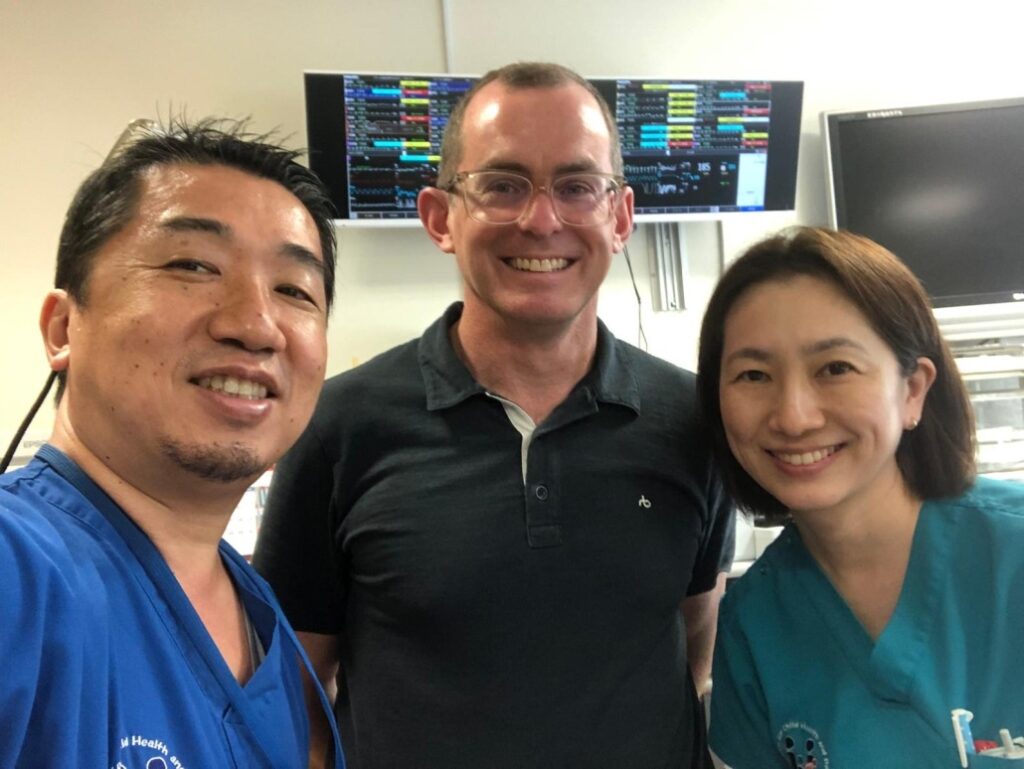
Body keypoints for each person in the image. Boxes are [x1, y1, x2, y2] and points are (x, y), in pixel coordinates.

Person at [253, 62, 734, 769]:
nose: (542, 220)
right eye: (502, 186)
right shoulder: (337, 426)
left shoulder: (694, 421)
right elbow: (295, 703)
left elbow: (694, 650)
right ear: (440, 217)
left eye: (577, 187)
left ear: (621, 216)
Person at [0, 118, 346, 768]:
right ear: (63, 327)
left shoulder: (260, 616)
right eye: (193, 265)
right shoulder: (17, 570)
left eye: (295, 290)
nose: (254, 324)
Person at [697, 227, 1024, 768]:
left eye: (835, 368)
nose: (793, 417)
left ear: (913, 389)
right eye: (754, 375)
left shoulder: (1011, 556)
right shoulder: (752, 625)